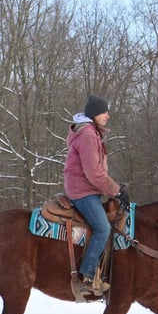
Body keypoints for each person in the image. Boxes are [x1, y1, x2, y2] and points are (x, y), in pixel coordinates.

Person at [64, 94, 130, 297]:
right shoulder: (88, 135)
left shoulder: (91, 133)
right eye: (104, 112)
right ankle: (88, 275)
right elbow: (93, 173)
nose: (108, 116)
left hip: (86, 188)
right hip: (82, 191)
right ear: (93, 114)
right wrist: (116, 190)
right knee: (102, 228)